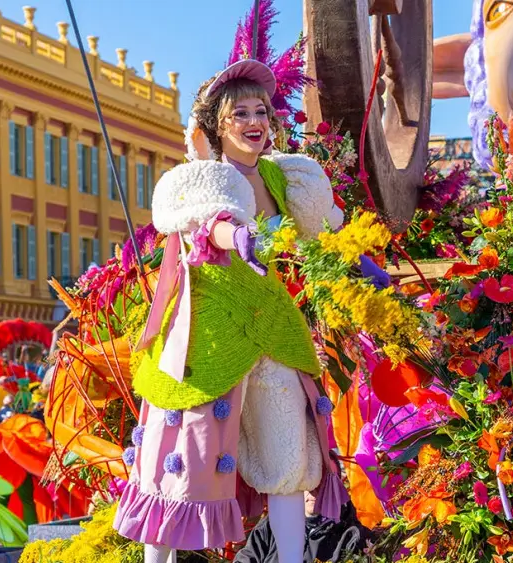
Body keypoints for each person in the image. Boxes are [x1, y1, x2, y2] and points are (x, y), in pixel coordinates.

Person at [112, 59, 346, 563]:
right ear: (218, 125)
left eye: (260, 110)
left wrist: (361, 262)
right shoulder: (205, 179)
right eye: (239, 112)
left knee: (287, 459)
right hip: (210, 338)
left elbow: (324, 235)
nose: (253, 120)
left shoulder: (285, 177)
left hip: (273, 330)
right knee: (181, 466)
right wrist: (236, 236)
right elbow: (209, 225)